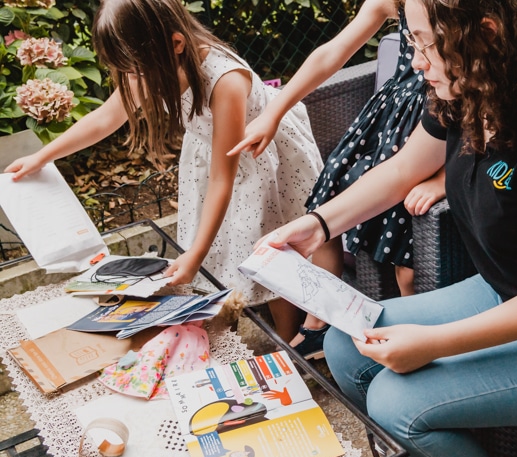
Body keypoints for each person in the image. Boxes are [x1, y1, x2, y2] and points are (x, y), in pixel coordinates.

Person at [262, 0, 517, 457]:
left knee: (393, 404)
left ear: (484, 33)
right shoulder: (465, 95)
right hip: (502, 291)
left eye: (426, 43)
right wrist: (318, 225)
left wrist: (433, 346)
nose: (417, 60)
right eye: (412, 42)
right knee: (345, 343)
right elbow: (402, 169)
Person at [5, 0, 323, 342]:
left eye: (137, 70)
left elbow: (223, 178)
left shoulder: (224, 80)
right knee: (227, 248)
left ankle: (290, 344)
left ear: (175, 44)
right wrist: (43, 156)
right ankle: (236, 327)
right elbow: (108, 117)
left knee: (271, 257)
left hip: (258, 161)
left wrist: (194, 255)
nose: (134, 79)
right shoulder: (148, 60)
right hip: (215, 156)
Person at [229, 0, 445, 358]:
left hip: (433, 115)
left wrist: (442, 177)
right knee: (324, 198)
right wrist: (274, 111)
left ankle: (420, 344)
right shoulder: (391, 3)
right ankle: (318, 322)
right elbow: (331, 53)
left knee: (407, 260)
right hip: (389, 118)